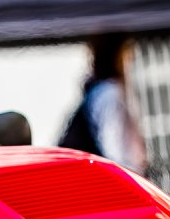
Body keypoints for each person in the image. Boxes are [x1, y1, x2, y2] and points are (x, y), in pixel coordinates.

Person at [59, 32, 148, 173]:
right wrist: (130, 175)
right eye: (126, 55)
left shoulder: (99, 91)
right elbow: (113, 144)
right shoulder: (110, 93)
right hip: (121, 177)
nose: (130, 62)